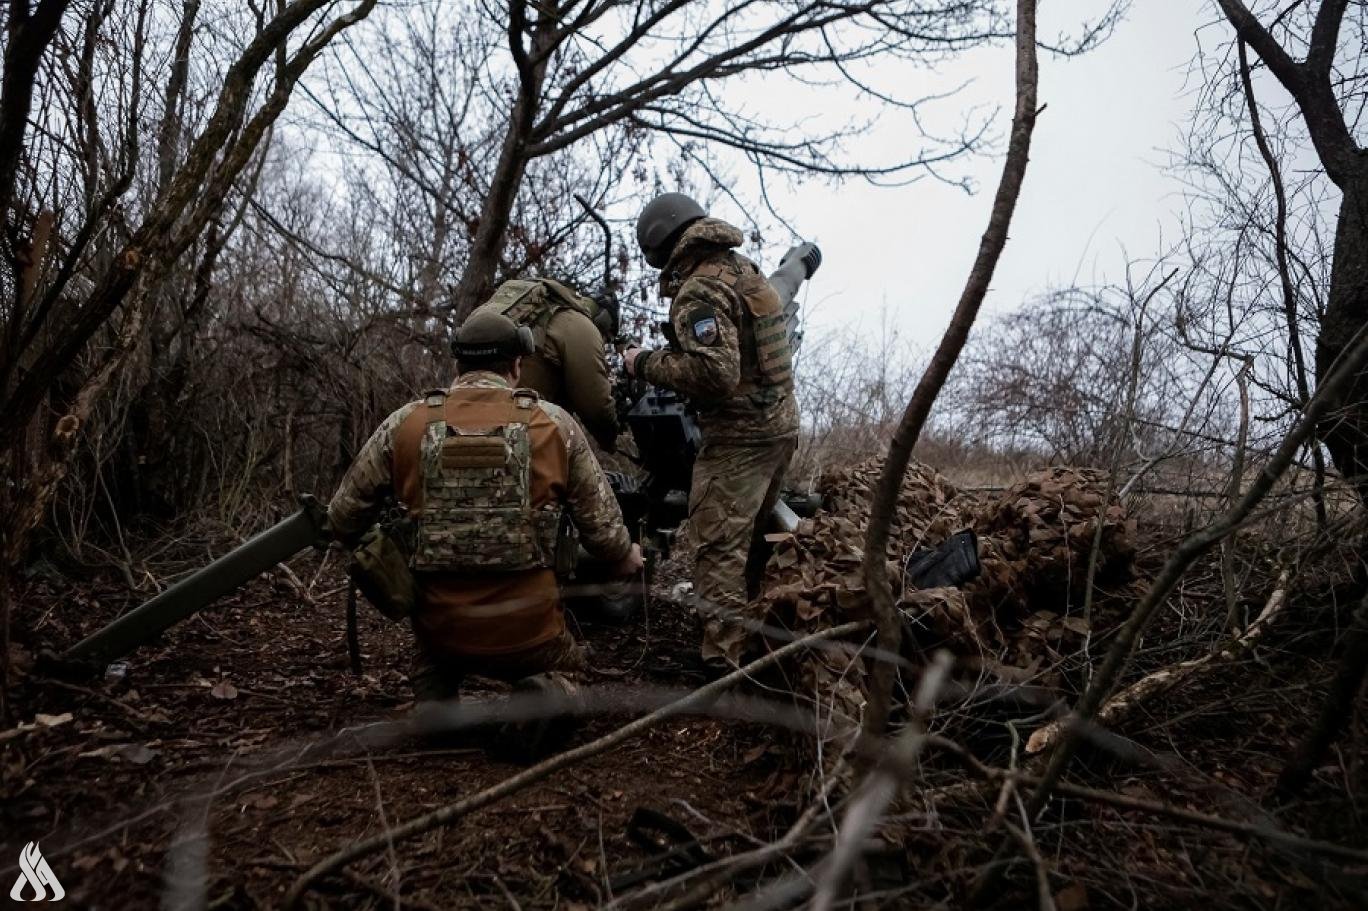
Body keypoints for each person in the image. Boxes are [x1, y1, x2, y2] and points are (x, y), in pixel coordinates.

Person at [328, 308, 643, 721]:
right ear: (517, 365)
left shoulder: (404, 424)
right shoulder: (554, 425)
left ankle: (436, 695)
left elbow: (343, 518)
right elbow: (605, 537)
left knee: (434, 657)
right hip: (531, 633)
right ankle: (547, 691)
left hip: (440, 630)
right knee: (572, 671)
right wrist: (627, 557)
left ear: (459, 365)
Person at [623, 193, 815, 668]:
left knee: (716, 549)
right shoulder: (741, 270)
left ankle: (726, 663)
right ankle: (762, 635)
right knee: (751, 539)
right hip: (778, 427)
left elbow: (715, 375)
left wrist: (642, 361)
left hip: (739, 438)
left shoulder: (699, 290)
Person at [469, 278, 621, 451]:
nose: (604, 344)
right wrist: (611, 438)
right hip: (520, 432)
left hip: (465, 418)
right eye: (607, 339)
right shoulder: (579, 325)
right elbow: (596, 405)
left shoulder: (535, 312)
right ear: (604, 322)